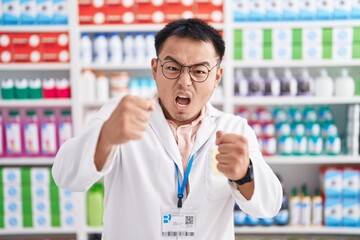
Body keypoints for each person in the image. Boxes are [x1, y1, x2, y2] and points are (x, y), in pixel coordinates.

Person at [52, 18, 282, 239]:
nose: (184, 81)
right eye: (172, 68)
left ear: (217, 76)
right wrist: (105, 138)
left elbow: (269, 206)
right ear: (155, 69)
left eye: (199, 71)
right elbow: (66, 176)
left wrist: (245, 175)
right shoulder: (120, 116)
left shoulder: (233, 128)